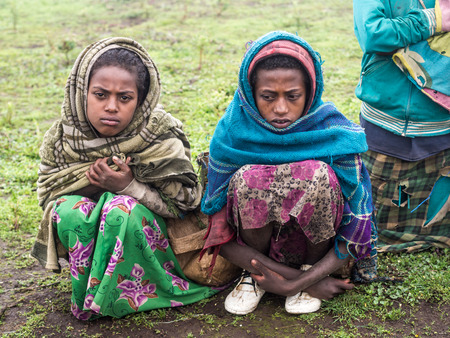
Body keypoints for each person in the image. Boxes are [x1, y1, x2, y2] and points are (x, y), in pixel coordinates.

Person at [31, 37, 219, 320]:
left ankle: (145, 292)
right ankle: (91, 294)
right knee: (68, 211)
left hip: (157, 244)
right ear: (82, 93)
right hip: (95, 233)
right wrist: (95, 184)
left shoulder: (157, 134)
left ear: (141, 102)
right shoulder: (63, 138)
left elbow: (185, 205)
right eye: (100, 94)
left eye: (125, 98)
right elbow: (49, 196)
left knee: (120, 209)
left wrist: (128, 186)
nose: (111, 106)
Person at [200, 31, 377, 316]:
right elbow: (219, 229)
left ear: (310, 92)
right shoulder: (233, 135)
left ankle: (308, 267)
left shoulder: (330, 133)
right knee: (249, 178)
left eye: (293, 96)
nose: (280, 109)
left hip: (318, 254)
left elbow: (356, 226)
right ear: (249, 93)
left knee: (318, 173)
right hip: (254, 253)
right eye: (267, 97)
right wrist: (288, 281)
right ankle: (254, 278)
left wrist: (305, 279)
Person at [353, 0, 450, 253]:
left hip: (443, 130)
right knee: (374, 219)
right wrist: (434, 20)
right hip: (385, 126)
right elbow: (373, 33)